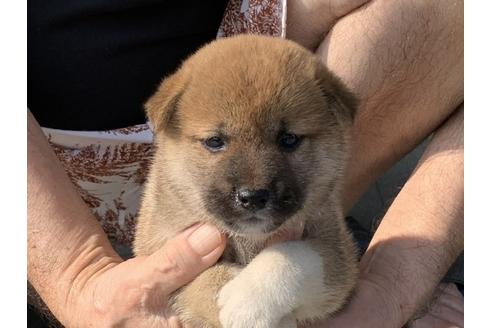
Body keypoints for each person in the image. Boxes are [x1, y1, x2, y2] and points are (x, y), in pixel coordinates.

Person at [28, 0, 463, 327]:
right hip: (56, 153)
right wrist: (77, 278)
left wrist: (391, 285)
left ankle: (318, 262)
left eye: (289, 141)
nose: (254, 184)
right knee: (212, 284)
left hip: (240, 29)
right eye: (217, 142)